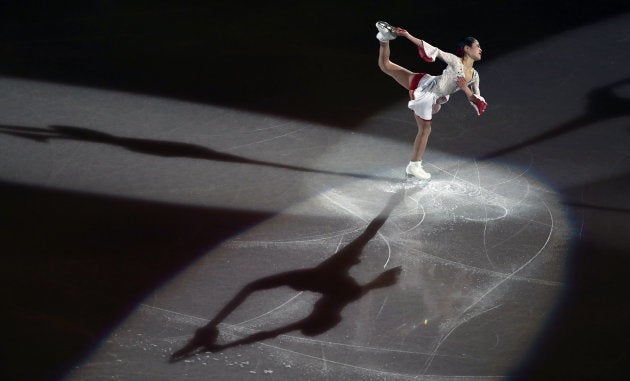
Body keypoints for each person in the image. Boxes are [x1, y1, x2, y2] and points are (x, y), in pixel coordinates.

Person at [376, 21, 487, 180]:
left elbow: (475, 98)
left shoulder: (475, 76)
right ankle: (414, 165)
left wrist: (469, 92)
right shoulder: (456, 61)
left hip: (424, 82)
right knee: (425, 129)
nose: (480, 49)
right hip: (426, 92)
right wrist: (408, 35)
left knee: (386, 66)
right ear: (467, 49)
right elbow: (434, 50)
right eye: (477, 46)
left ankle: (383, 38)